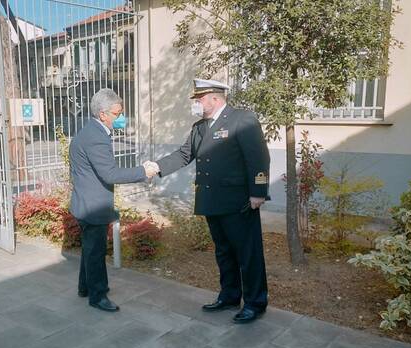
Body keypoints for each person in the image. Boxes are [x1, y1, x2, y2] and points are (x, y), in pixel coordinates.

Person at [152, 78, 271, 324]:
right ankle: (229, 295)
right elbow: (185, 154)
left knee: (248, 253)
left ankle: (255, 303)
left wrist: (258, 191)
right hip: (212, 200)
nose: (196, 103)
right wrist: (156, 167)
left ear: (215, 98)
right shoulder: (199, 127)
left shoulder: (242, 119)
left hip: (239, 201)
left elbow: (259, 157)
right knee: (224, 252)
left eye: (199, 99)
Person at [69, 88, 159, 312]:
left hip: (86, 202)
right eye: (117, 114)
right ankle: (98, 296)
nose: (121, 118)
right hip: (93, 207)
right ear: (103, 114)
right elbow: (110, 174)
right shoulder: (96, 138)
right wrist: (143, 171)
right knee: (96, 251)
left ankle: (85, 287)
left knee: (89, 249)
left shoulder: (89, 132)